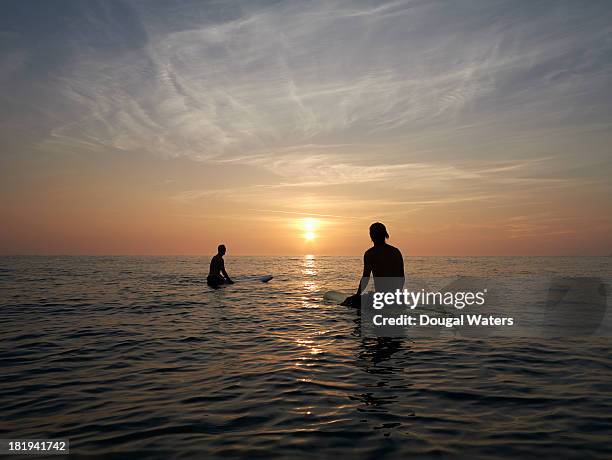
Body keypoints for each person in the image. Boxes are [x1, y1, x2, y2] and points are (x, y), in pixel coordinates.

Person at [342, 222, 404, 306]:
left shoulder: (370, 254)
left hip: (382, 298)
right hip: (397, 297)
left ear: (371, 235)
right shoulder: (396, 251)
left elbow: (366, 277)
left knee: (346, 304)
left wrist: (357, 295)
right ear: (385, 234)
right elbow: (402, 277)